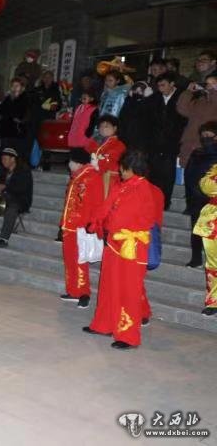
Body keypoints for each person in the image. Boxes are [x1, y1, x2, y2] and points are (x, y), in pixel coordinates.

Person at [84, 150, 163, 350]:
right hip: (114, 243)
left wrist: (106, 223)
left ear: (131, 168)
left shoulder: (143, 188)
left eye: (123, 167)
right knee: (108, 285)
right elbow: (107, 206)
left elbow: (127, 218)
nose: (120, 170)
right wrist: (95, 221)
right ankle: (104, 324)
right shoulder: (122, 185)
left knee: (128, 290)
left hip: (131, 247)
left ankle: (128, 336)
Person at [59, 148, 104, 309]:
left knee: (80, 260)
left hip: (81, 226)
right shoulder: (76, 177)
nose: (69, 164)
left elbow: (97, 203)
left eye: (71, 161)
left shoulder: (92, 177)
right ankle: (73, 290)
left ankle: (84, 293)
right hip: (69, 226)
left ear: (77, 162)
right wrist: (63, 224)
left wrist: (92, 224)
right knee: (70, 260)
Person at [147, 74, 187, 210]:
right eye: (158, 86)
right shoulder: (155, 99)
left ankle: (165, 202)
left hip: (172, 143)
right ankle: (153, 201)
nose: (160, 88)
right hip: (155, 143)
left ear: (172, 84)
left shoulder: (182, 97)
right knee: (153, 173)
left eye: (163, 85)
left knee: (167, 173)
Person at [184, 122, 217, 268]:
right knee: (196, 231)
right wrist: (190, 196)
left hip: (213, 200)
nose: (206, 137)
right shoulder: (197, 153)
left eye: (209, 134)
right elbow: (188, 174)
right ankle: (196, 258)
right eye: (203, 135)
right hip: (196, 197)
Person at [177, 74, 217, 168]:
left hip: (207, 146)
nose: (209, 86)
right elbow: (182, 109)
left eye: (213, 83)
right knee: (188, 172)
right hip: (190, 143)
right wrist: (188, 92)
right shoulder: (200, 101)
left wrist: (213, 92)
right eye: (207, 83)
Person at [194, 163, 217, 316]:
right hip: (212, 222)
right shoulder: (215, 168)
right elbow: (205, 186)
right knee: (213, 264)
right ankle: (213, 301)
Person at [85, 115, 125, 197]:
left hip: (108, 179)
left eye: (107, 126)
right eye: (101, 126)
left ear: (115, 128)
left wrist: (98, 161)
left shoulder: (118, 144)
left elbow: (111, 161)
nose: (103, 129)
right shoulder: (94, 142)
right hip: (95, 177)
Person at [0, 77, 31, 158]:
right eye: (13, 86)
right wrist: (10, 99)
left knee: (16, 156)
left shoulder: (26, 98)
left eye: (17, 86)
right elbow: (0, 110)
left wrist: (10, 113)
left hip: (18, 132)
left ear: (22, 88)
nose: (14, 88)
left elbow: (19, 113)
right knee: (5, 154)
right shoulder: (8, 98)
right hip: (5, 131)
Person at [118, 82, 154, 153]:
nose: (137, 93)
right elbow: (122, 117)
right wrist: (129, 98)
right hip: (126, 136)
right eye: (135, 90)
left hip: (140, 139)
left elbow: (143, 112)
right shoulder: (128, 101)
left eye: (140, 91)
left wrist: (148, 98)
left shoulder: (150, 103)